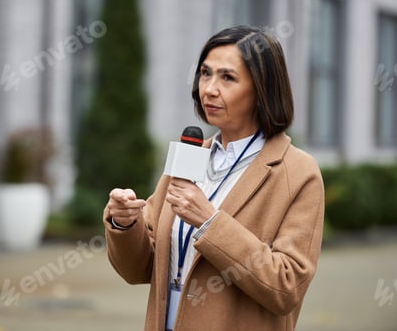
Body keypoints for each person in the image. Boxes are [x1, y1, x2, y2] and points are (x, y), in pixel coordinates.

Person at [103, 25, 324, 331]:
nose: (208, 89)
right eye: (206, 73)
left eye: (227, 77)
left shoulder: (298, 172)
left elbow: (286, 287)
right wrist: (125, 224)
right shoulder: (187, 157)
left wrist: (209, 221)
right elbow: (139, 269)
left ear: (262, 89)